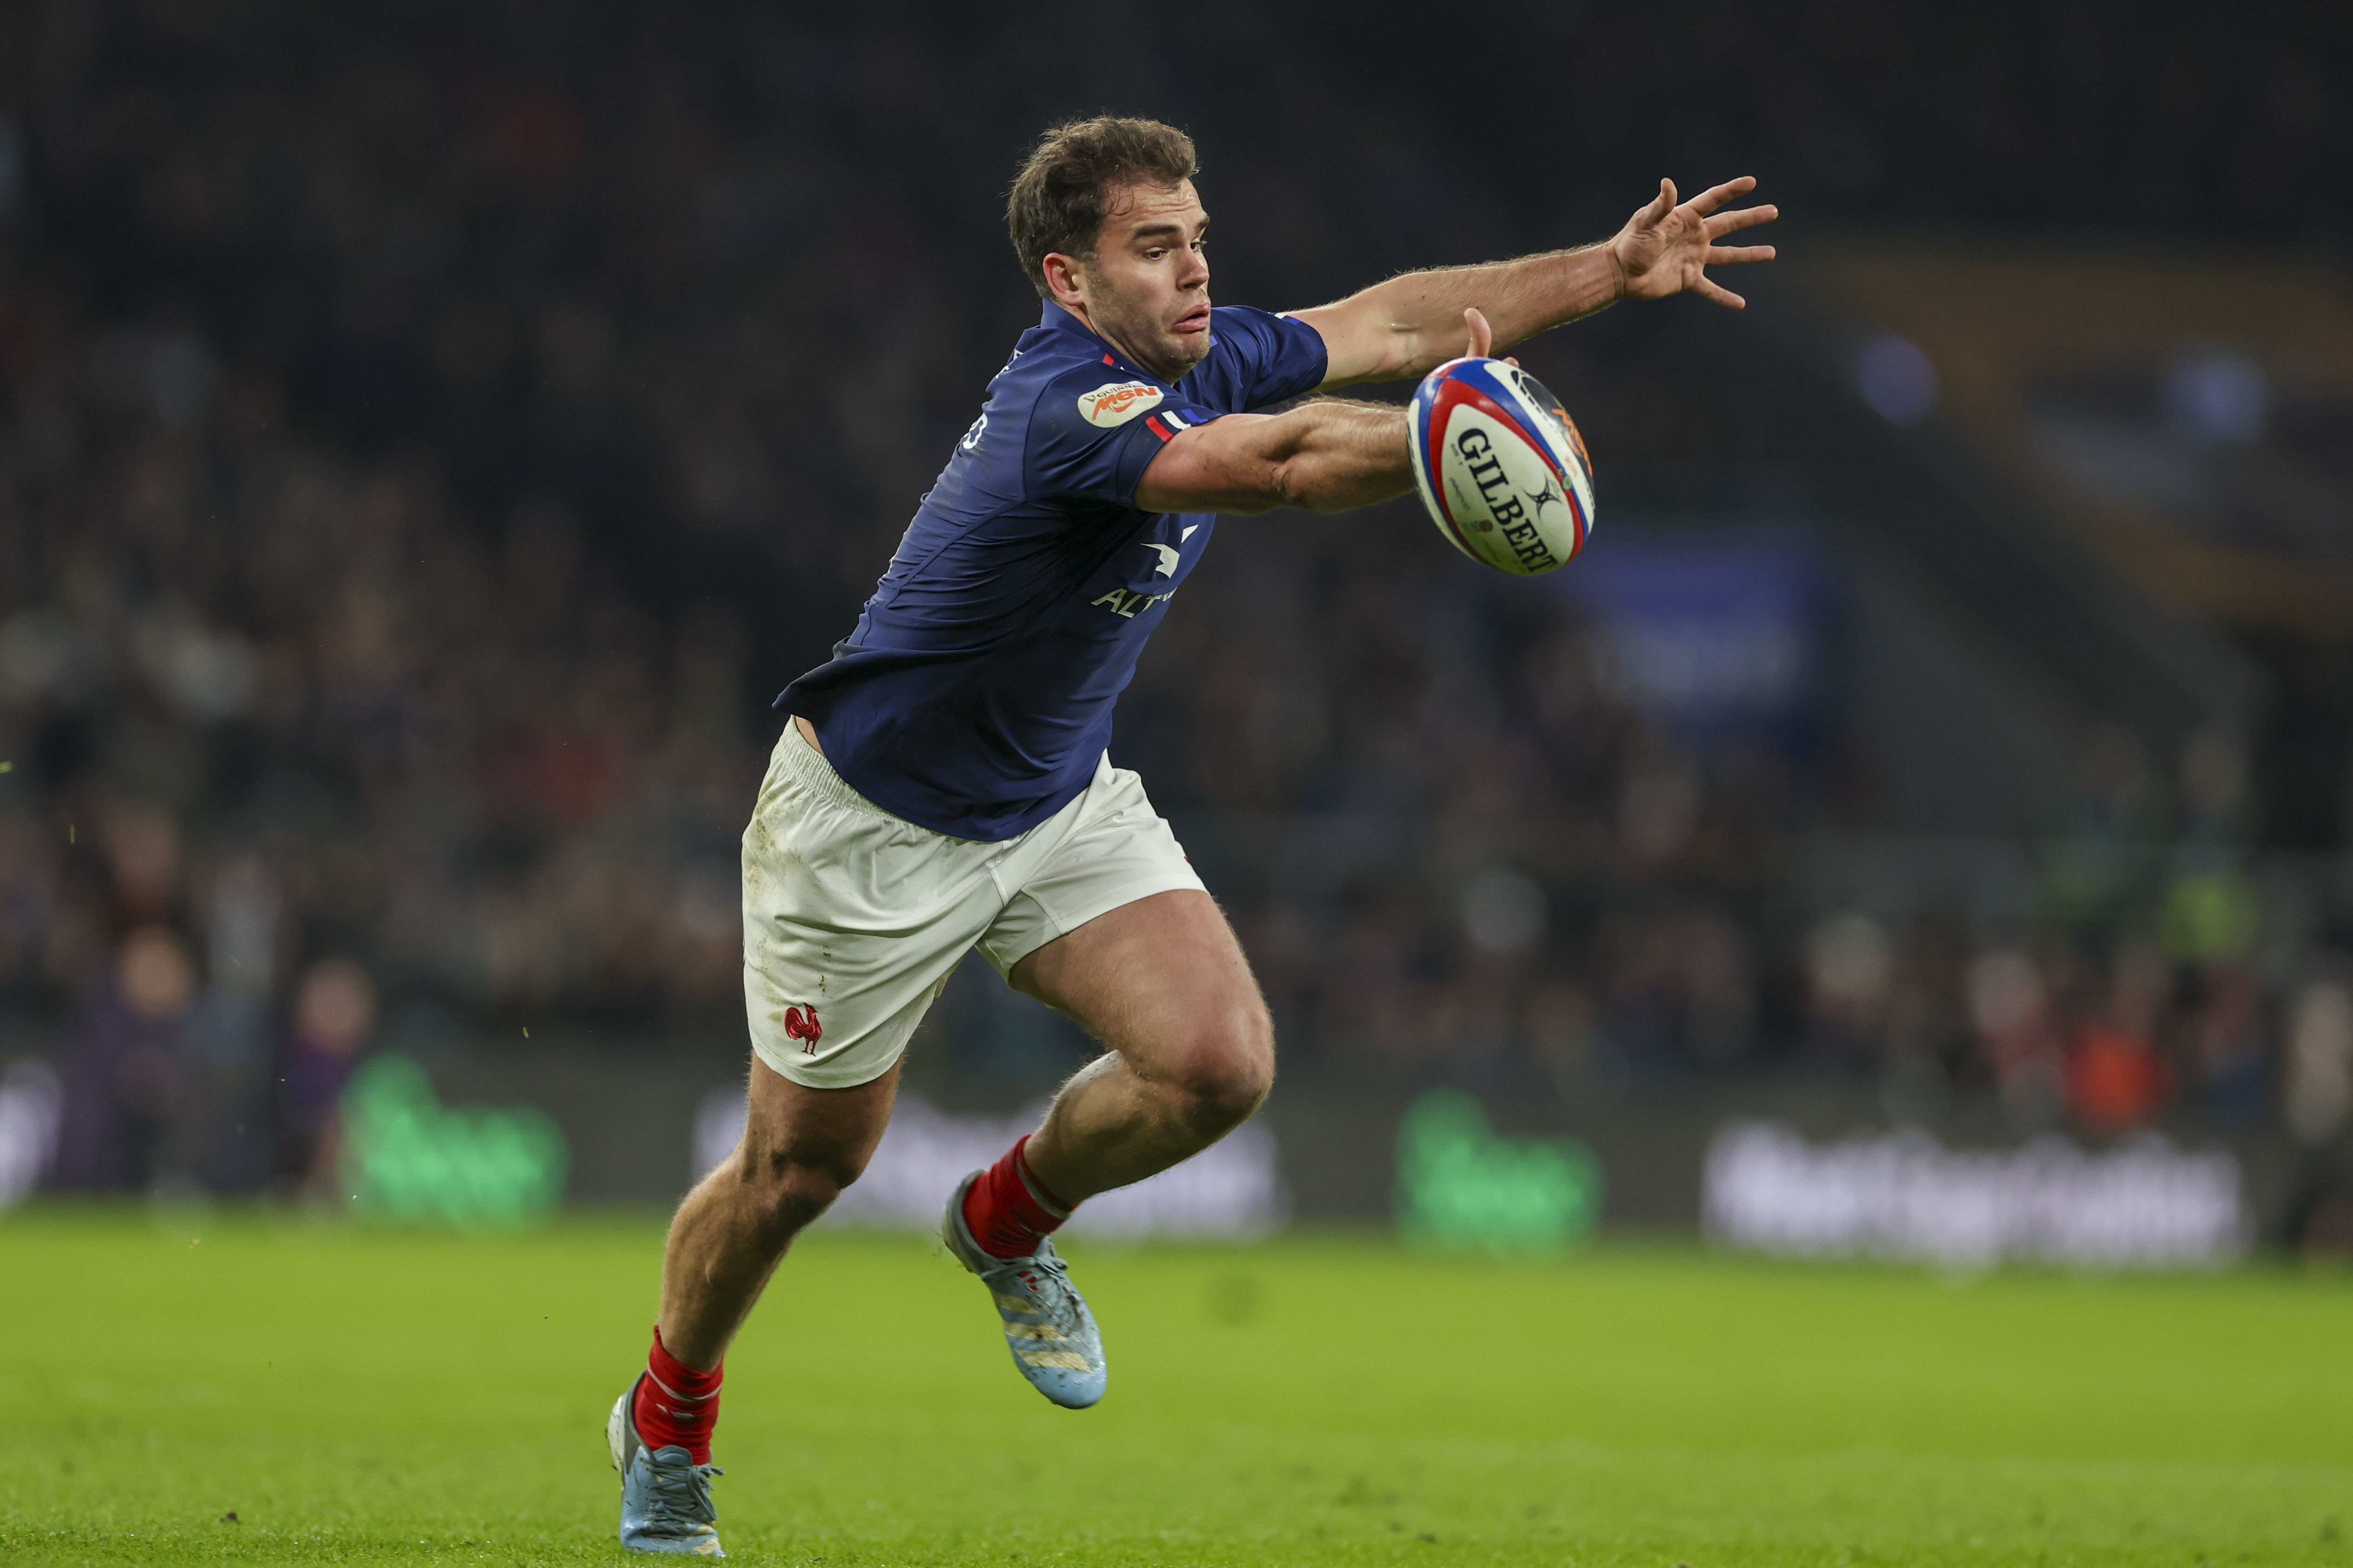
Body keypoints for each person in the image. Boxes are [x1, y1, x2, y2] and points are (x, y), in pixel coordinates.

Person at [607, 115, 1775, 1555]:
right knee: (801, 1175)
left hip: (1052, 800)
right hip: (871, 828)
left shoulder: (1205, 349)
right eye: (1153, 249)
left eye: (1198, 239)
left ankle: (1003, 1224)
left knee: (1217, 1064)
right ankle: (665, 1425)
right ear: (1069, 281)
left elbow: (1386, 320)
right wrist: (1434, 442)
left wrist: (1605, 270)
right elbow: (1271, 466)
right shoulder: (1068, 410)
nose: (1194, 272)